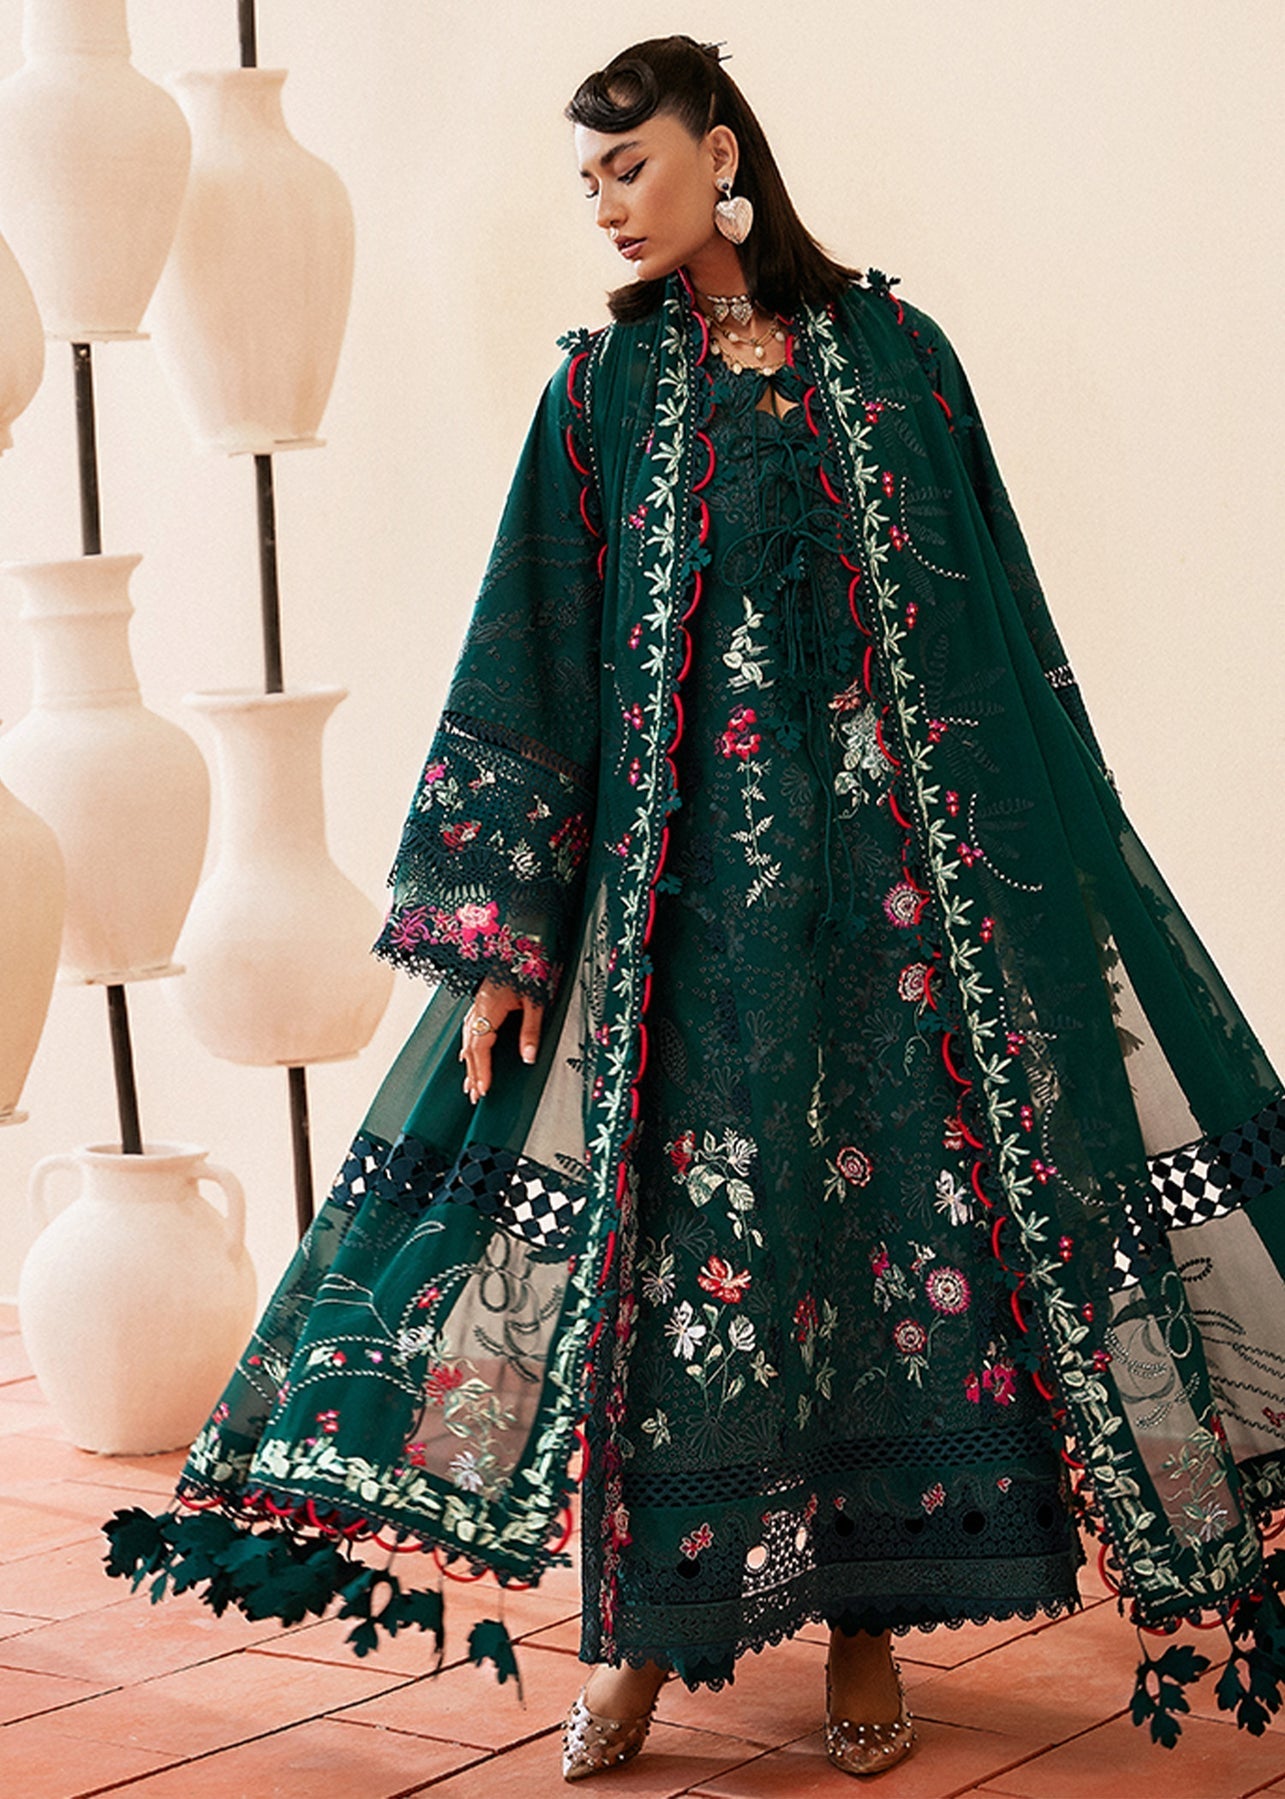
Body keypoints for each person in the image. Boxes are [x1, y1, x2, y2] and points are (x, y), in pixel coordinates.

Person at [104, 33, 1285, 1785]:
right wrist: (504, 934)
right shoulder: (599, 394)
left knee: (900, 1259)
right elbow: (531, 648)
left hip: (899, 926)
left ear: (719, 153)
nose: (604, 206)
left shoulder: (897, 357)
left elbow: (995, 617)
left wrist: (1039, 874)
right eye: (585, 180)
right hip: (690, 930)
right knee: (685, 1278)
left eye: (629, 167)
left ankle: (870, 1628)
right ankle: (645, 1646)